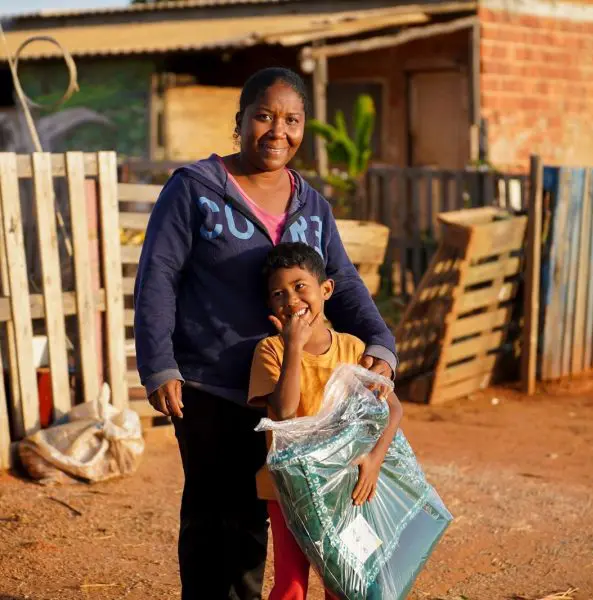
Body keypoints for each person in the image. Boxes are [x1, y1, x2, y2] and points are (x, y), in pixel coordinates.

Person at [133, 66, 397, 600]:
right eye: (265, 116)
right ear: (241, 121)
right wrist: (159, 363)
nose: (279, 131)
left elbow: (341, 281)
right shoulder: (195, 191)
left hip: (291, 405)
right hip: (212, 387)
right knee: (217, 520)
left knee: (271, 524)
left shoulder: (312, 206)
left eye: (292, 120)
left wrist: (380, 342)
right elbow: (157, 274)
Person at [248, 243, 403, 600]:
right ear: (270, 305)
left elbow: (393, 409)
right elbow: (285, 413)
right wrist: (293, 348)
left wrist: (374, 461)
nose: (292, 299)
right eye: (279, 293)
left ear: (326, 290)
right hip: (288, 489)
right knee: (291, 586)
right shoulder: (269, 351)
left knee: (348, 582)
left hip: (343, 488)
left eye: (301, 286)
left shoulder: (351, 349)